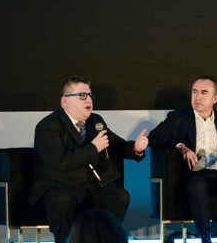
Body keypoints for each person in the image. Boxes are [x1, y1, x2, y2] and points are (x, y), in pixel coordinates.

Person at [29, 76, 147, 243]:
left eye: (90, 95)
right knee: (62, 201)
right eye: (82, 95)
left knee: (119, 196)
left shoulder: (95, 121)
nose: (89, 100)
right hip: (58, 187)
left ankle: (105, 239)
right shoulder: (49, 126)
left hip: (91, 186)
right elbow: (59, 161)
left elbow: (116, 145)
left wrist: (136, 148)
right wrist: (93, 148)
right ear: (65, 101)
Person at [148, 76, 217, 243]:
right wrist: (180, 146)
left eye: (203, 93)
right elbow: (154, 137)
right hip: (195, 174)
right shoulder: (177, 118)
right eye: (194, 92)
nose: (197, 97)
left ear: (215, 99)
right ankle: (205, 237)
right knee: (197, 184)